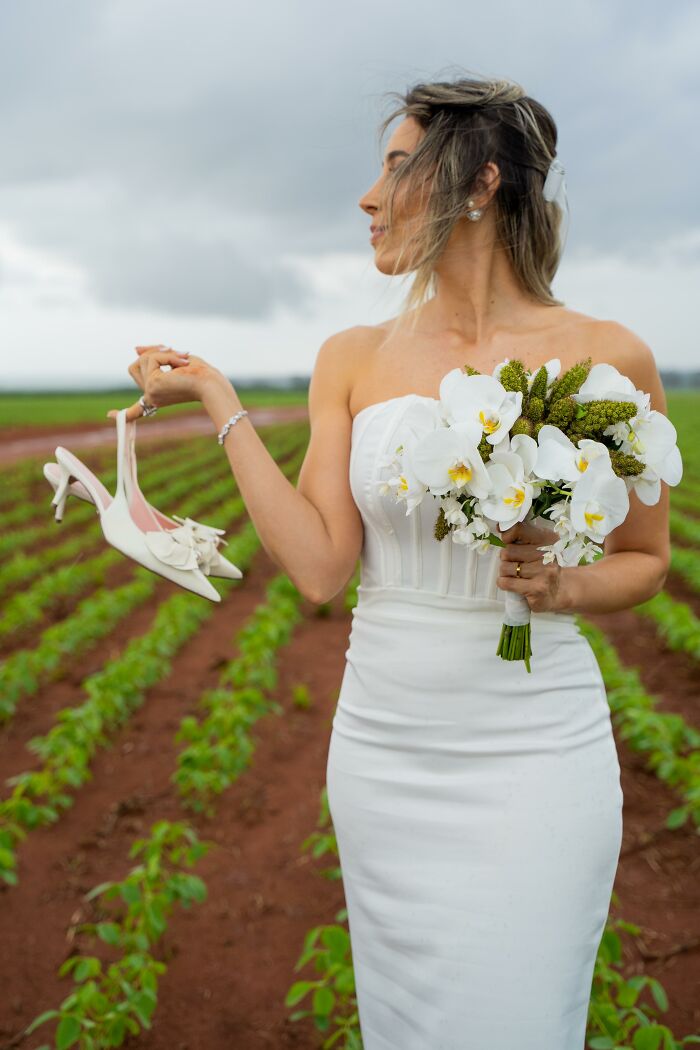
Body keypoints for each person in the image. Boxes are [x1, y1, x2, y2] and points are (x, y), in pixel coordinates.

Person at [114, 74, 671, 1049]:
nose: (367, 198)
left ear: (478, 185)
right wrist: (218, 399)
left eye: (395, 168)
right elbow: (322, 569)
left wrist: (563, 583)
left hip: (536, 751)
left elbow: (647, 561)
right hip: (384, 751)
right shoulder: (352, 357)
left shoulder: (608, 356)